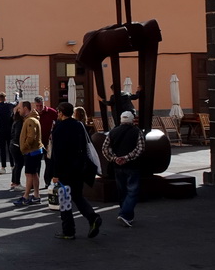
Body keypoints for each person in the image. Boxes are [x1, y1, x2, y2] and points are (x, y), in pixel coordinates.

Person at [50, 103, 103, 240]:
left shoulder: (59, 128)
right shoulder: (79, 125)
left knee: (65, 199)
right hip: (79, 167)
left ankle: (68, 230)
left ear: (62, 112)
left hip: (65, 169)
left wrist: (55, 174)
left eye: (58, 111)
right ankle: (92, 217)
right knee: (78, 196)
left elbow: (57, 154)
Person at [103, 110, 146, 226]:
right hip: (132, 166)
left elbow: (105, 149)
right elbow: (140, 148)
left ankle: (126, 214)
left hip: (117, 166)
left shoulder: (113, 132)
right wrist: (127, 158)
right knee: (132, 191)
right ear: (132, 120)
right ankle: (125, 214)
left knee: (122, 191)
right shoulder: (137, 131)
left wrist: (114, 158)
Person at [13, 101, 43, 206]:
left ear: (25, 108)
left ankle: (26, 196)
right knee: (34, 174)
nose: (18, 110)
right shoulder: (30, 119)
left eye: (20, 108)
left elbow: (31, 137)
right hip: (34, 151)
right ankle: (36, 196)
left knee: (29, 174)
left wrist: (24, 147)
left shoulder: (30, 120)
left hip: (32, 151)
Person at [34, 95, 57, 188]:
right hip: (38, 143)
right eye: (37, 106)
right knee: (37, 163)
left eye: (41, 105)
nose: (39, 108)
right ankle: (35, 183)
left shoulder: (52, 112)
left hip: (49, 143)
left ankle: (47, 181)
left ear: (44, 103)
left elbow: (57, 123)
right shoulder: (34, 113)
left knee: (49, 163)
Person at [0, 92, 15, 177]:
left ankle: (3, 167)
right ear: (5, 98)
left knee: (2, 149)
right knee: (10, 148)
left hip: (1, 130)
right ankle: (12, 165)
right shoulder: (9, 105)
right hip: (9, 130)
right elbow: (16, 102)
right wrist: (17, 95)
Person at [9, 105, 25, 189]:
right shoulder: (20, 122)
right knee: (19, 164)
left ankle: (14, 182)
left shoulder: (15, 120)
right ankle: (16, 183)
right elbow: (18, 134)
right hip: (16, 145)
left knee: (17, 164)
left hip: (13, 144)